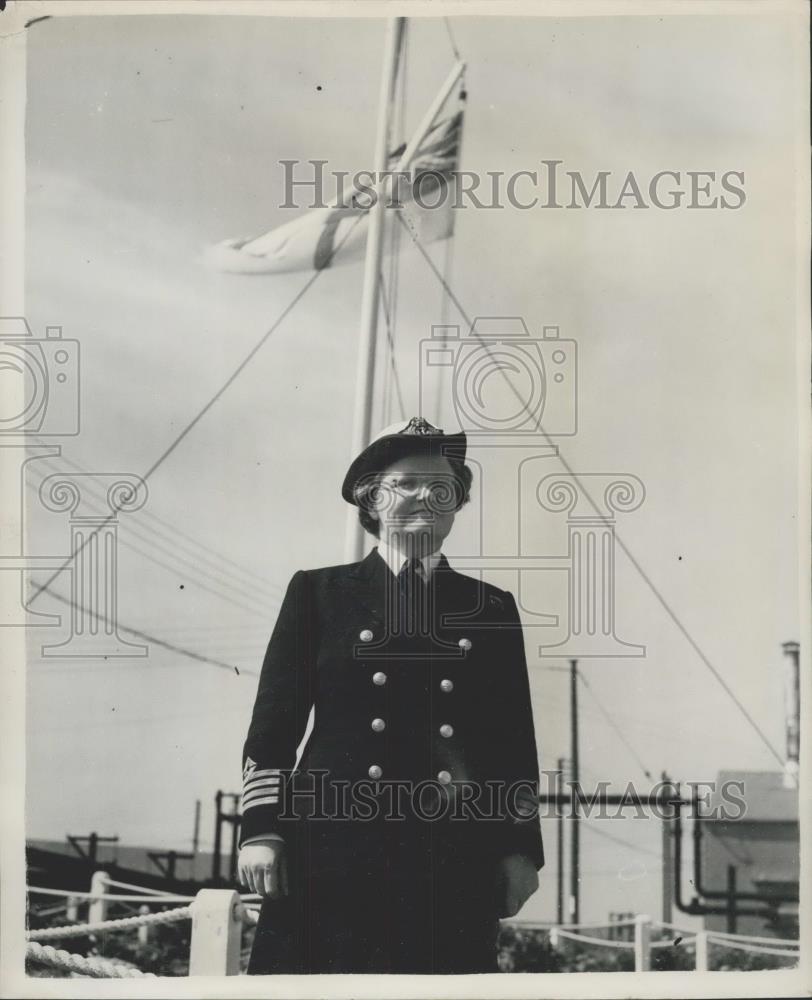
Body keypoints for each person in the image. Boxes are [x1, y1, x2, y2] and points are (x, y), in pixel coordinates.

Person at [238, 416, 543, 974]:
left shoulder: (491, 607)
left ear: (457, 505)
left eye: (442, 486)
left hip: (449, 859)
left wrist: (520, 849)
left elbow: (512, 744)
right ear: (371, 499)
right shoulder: (319, 592)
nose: (426, 495)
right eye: (406, 484)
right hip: (330, 852)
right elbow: (273, 728)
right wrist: (261, 828)